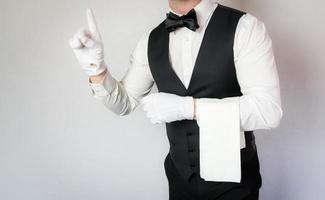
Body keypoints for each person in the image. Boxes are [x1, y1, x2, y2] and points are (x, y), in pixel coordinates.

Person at [69, 0, 283, 199]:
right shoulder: (151, 40)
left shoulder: (245, 28)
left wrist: (190, 108)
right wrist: (95, 68)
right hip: (179, 179)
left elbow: (268, 110)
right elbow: (124, 103)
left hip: (234, 182)